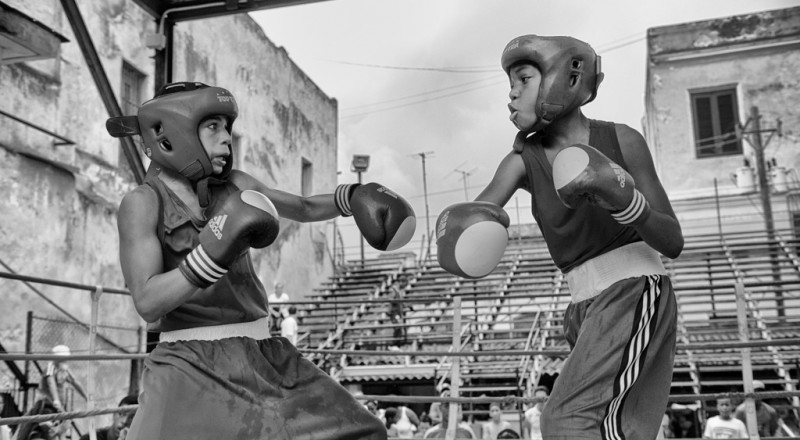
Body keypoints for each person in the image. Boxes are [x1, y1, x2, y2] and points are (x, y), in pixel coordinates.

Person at [107, 81, 416, 439]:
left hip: (262, 354)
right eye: (213, 127)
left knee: (363, 432)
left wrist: (352, 196)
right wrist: (207, 257)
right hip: (188, 363)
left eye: (227, 127)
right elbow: (147, 301)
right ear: (169, 133)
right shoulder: (142, 203)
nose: (226, 138)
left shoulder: (235, 184)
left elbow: (301, 207)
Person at [436, 35, 683, 439]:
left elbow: (673, 241)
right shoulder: (521, 161)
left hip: (635, 290)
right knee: (614, 430)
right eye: (510, 83)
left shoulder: (622, 140)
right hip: (582, 305)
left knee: (565, 420)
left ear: (564, 76)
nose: (512, 93)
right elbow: (471, 221)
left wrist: (626, 201)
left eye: (523, 79)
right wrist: (455, 234)